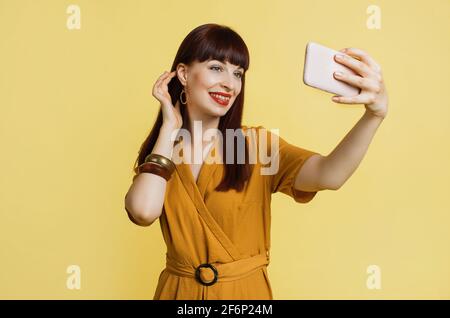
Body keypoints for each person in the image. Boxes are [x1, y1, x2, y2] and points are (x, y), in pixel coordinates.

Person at [124, 23, 388, 300]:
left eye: (238, 73)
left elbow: (329, 175)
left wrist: (373, 116)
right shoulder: (162, 150)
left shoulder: (256, 146)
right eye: (216, 67)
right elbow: (143, 211)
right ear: (183, 73)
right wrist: (169, 128)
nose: (230, 83)